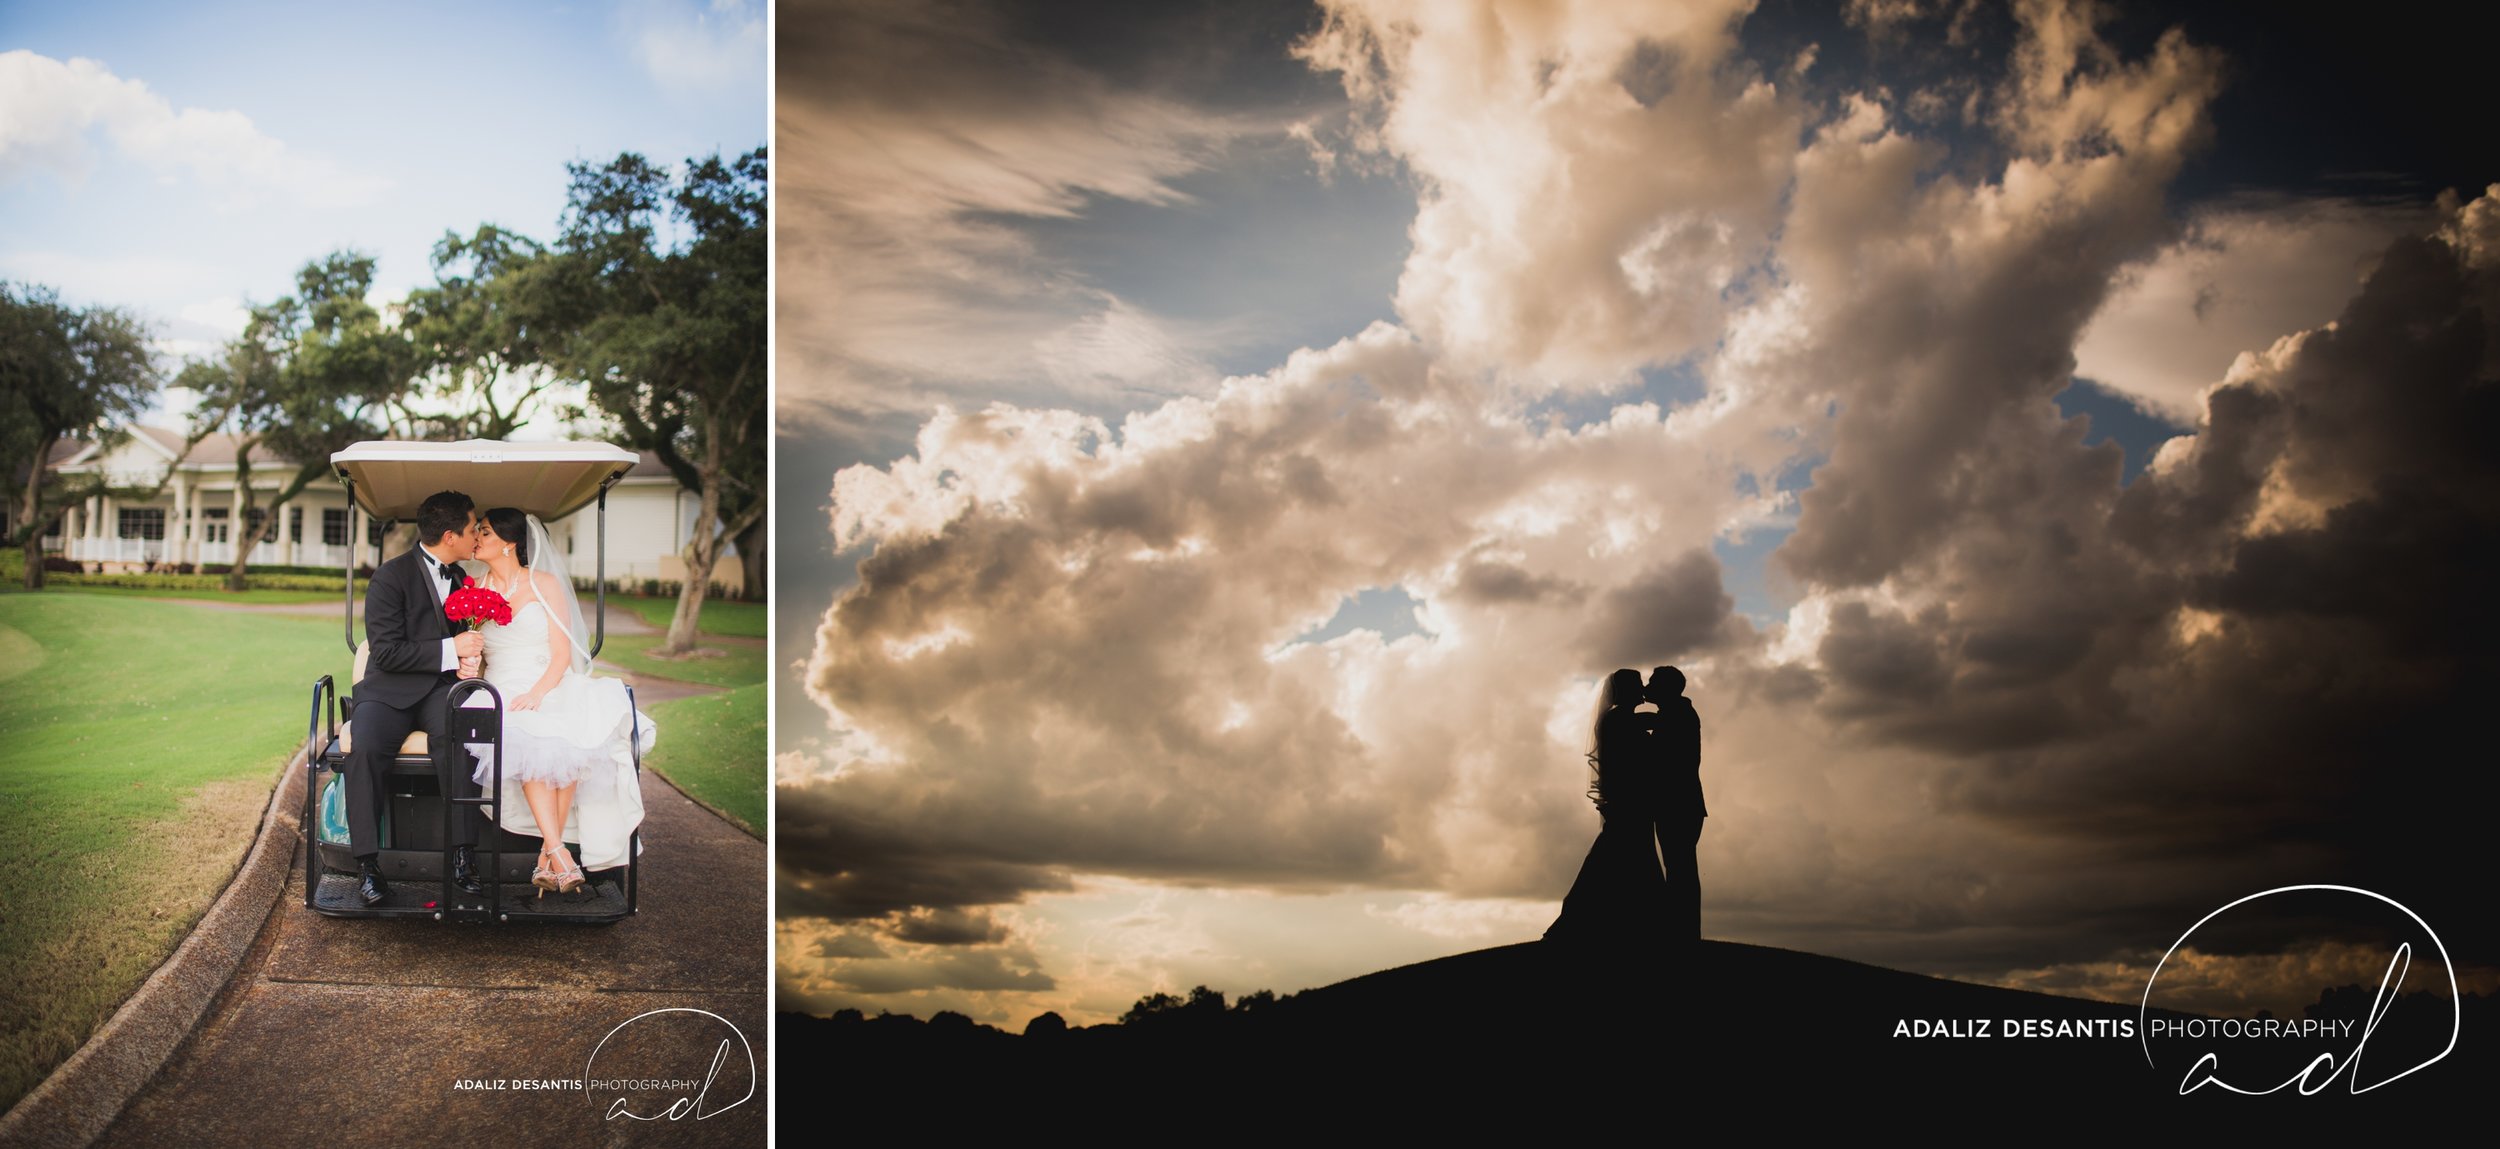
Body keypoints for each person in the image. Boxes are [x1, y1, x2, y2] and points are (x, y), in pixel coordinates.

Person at [465, 507, 653, 894]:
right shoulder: (473, 588)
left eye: (485, 532)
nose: (477, 538)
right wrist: (469, 663)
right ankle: (558, 853)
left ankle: (550, 857)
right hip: (501, 686)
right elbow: (477, 653)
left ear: (509, 543)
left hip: (549, 681)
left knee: (569, 738)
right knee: (532, 739)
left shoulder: (544, 583)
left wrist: (537, 693)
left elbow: (562, 654)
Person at [346, 490, 488, 906]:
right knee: (366, 747)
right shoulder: (390, 577)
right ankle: (368, 864)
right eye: (471, 528)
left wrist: (467, 663)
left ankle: (463, 856)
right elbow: (386, 651)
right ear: (449, 536)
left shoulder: (463, 580)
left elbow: (463, 643)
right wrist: (452, 648)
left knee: (460, 739)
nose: (475, 536)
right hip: (388, 690)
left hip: (439, 690)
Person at [1543, 668, 1672, 949]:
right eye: (1638, 684)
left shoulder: (1620, 719)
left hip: (1630, 801)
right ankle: (1590, 920)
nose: (1642, 689)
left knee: (1623, 857)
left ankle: (1620, 923)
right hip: (1629, 802)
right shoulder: (1619, 721)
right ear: (1625, 690)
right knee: (1621, 857)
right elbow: (1640, 755)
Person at [1648, 665, 1704, 943]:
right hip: (1679, 803)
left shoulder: (1677, 715)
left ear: (1666, 688)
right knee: (1679, 867)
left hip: (1678, 804)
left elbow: (1665, 761)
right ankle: (1682, 931)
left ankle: (1684, 933)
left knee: (1680, 868)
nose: (1648, 687)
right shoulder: (1674, 714)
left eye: (1653, 683)